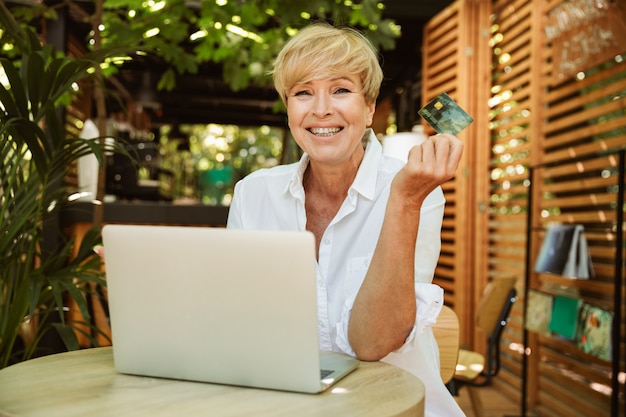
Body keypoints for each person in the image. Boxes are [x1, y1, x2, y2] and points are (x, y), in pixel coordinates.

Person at [227, 23, 466, 417]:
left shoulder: (416, 191)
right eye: (303, 93)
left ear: (370, 108)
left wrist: (404, 201)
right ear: (289, 109)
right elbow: (240, 322)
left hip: (393, 407)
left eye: (340, 90)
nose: (321, 108)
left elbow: (373, 344)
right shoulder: (253, 194)